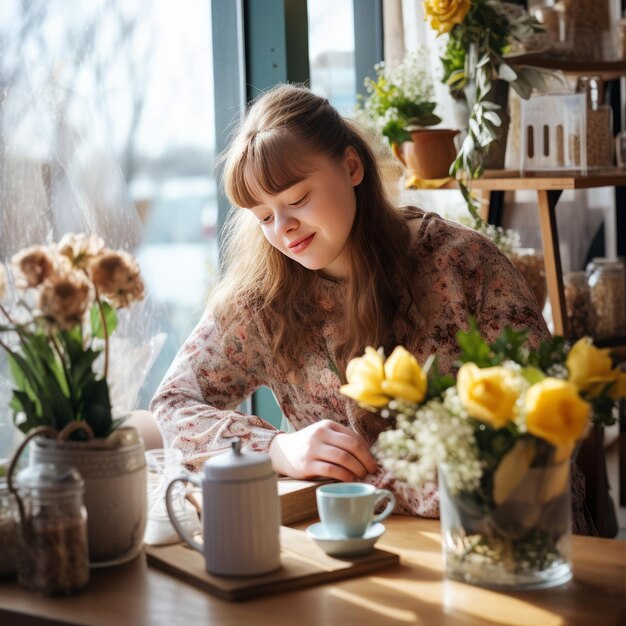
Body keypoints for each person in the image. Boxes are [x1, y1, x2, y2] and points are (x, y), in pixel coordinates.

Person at [150, 84, 549, 519]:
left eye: (297, 199)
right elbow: (171, 406)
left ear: (352, 166)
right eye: (264, 216)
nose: (282, 227)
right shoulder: (261, 299)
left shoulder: (462, 264)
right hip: (347, 549)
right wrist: (277, 449)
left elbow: (545, 411)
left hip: (490, 533)